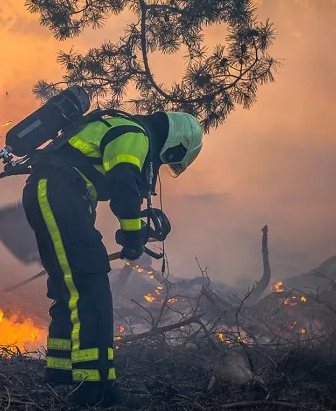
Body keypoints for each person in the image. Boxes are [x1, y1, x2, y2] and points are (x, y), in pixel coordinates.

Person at [20, 110, 203, 406]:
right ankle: (95, 390)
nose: (163, 164)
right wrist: (132, 235)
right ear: (176, 144)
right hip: (58, 196)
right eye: (171, 158)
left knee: (72, 289)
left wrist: (134, 231)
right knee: (92, 290)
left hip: (52, 195)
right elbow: (124, 182)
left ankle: (61, 374)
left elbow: (115, 181)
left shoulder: (123, 128)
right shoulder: (135, 134)